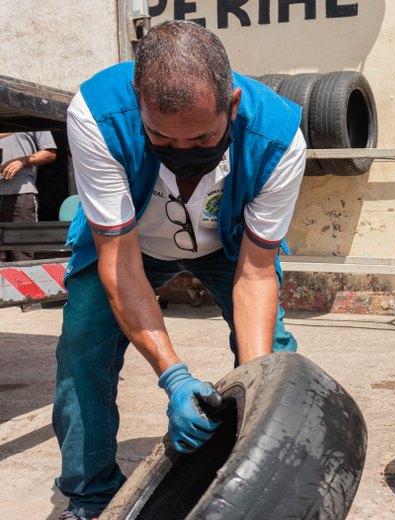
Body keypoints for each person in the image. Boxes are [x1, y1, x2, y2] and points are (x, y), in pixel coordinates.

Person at [53, 20, 306, 520]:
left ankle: (264, 466)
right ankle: (92, 496)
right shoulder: (96, 115)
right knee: (84, 344)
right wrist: (174, 377)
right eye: (161, 137)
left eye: (202, 138)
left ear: (232, 106)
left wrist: (253, 387)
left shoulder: (279, 141)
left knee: (272, 358)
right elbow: (121, 261)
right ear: (137, 100)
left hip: (228, 242)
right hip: (130, 244)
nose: (183, 153)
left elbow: (256, 274)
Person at [0, 131, 58, 261]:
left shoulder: (30, 119)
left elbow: (50, 153)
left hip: (21, 193)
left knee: (22, 252)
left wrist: (23, 161)